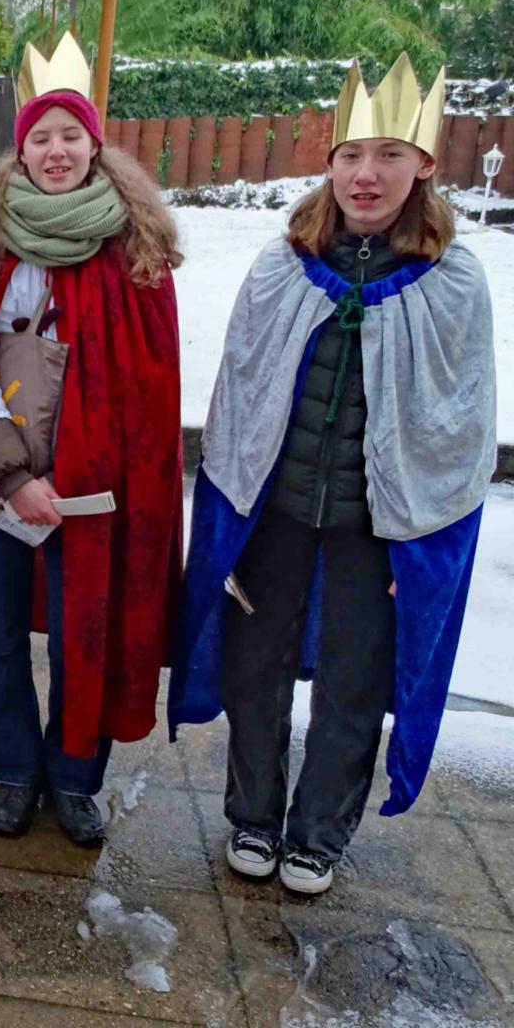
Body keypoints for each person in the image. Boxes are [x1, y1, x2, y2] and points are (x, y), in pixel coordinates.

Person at [170, 55, 496, 895]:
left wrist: (425, 543)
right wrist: (230, 504)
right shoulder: (284, 262)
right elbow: (240, 386)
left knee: (354, 684)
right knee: (256, 667)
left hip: (377, 529)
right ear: (330, 164)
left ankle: (319, 832)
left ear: (423, 164)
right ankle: (253, 816)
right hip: (273, 511)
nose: (367, 173)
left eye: (389, 154)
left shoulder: (452, 279)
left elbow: (460, 423)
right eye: (352, 154)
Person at [0, 34, 184, 846]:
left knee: (88, 628)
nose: (56, 152)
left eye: (70, 136)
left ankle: (76, 774)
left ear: (95, 147)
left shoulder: (135, 251)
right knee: (6, 634)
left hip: (96, 492)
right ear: (22, 150)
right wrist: (14, 478)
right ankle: (15, 770)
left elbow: (149, 390)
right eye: (41, 138)